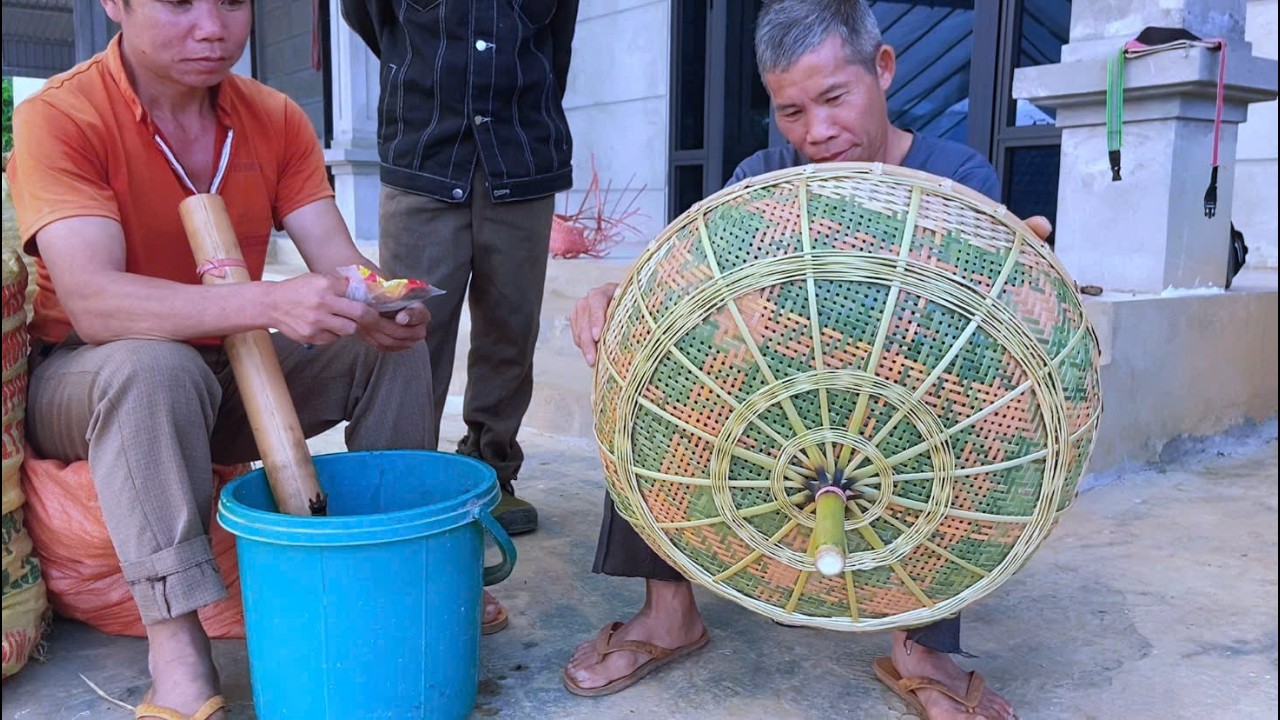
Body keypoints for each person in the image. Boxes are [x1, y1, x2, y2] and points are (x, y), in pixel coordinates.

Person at [565, 2, 1050, 718]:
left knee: (988, 406)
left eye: (833, 98)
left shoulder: (955, 179)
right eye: (790, 112)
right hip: (777, 416)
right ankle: (669, 611)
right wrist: (621, 294)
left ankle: (922, 642)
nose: (816, 133)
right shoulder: (761, 176)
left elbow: (988, 331)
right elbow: (688, 277)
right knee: (653, 361)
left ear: (881, 70)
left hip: (904, 421)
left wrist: (1027, 281)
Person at [6, 2, 434, 718]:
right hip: (89, 377)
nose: (212, 26)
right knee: (153, 368)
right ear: (116, 2)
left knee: (382, 352)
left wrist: (382, 302)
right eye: (179, 1)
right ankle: (176, 641)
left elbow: (341, 264)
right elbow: (96, 304)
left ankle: (400, 563)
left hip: (228, 360)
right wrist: (269, 304)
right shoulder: (64, 114)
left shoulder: (274, 117)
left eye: (233, 0)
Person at [339, 1, 578, 539]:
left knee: (511, 327)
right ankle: (404, 478)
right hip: (423, 153)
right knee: (409, 325)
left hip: (521, 155)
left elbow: (555, 43)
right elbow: (368, 18)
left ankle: (493, 470)